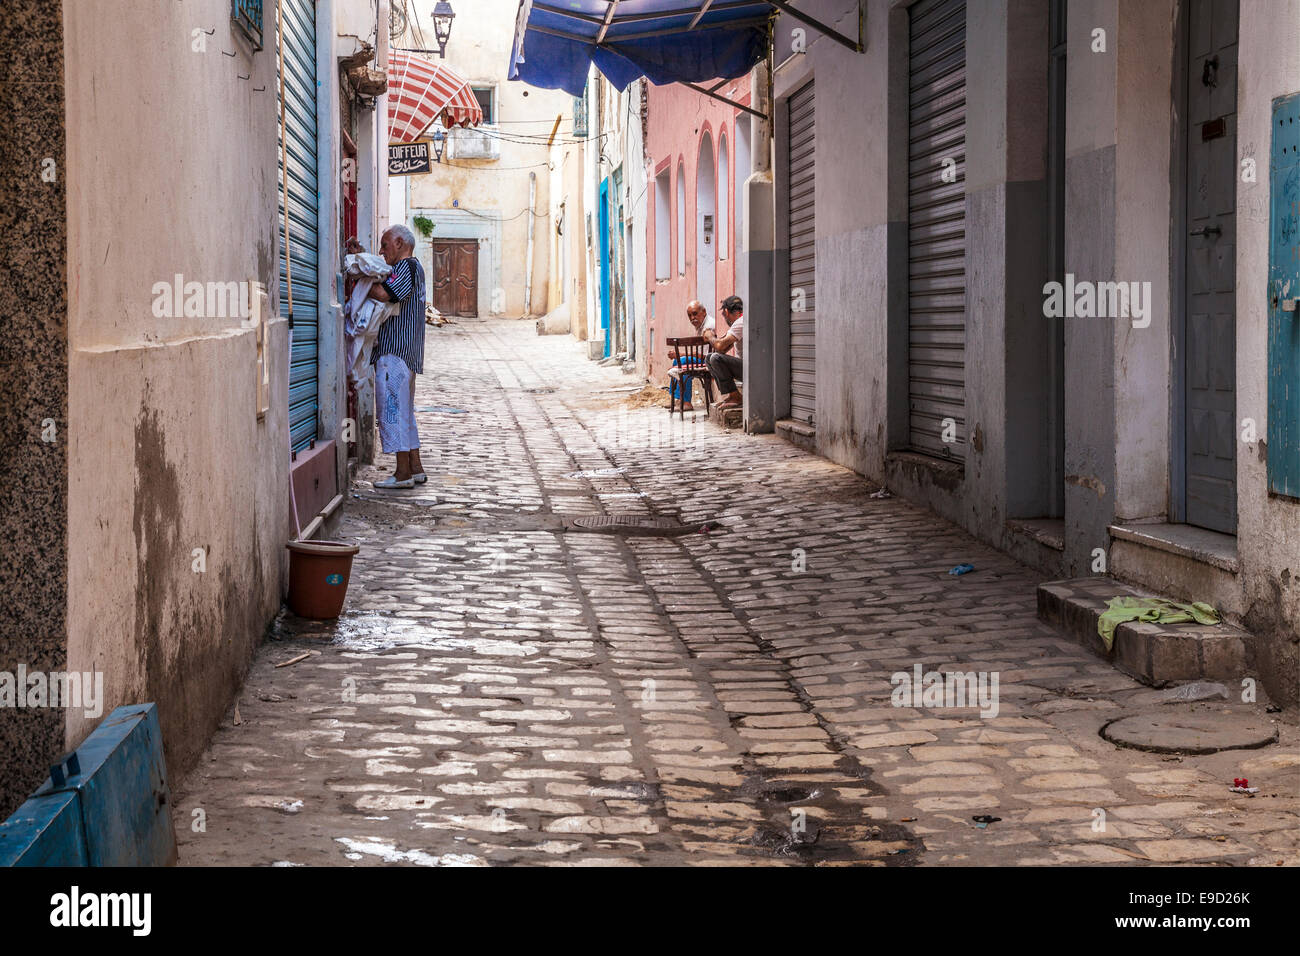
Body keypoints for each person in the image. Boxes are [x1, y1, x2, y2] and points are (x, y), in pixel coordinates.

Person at [367, 224, 428, 490]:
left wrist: (360, 278)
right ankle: (415, 468)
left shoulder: (406, 267)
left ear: (400, 243)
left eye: (385, 244)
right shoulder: (416, 269)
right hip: (408, 352)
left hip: (395, 352)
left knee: (392, 410)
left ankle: (402, 473)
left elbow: (385, 294)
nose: (382, 251)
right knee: (405, 412)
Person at [668, 300, 715, 410]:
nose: (692, 318)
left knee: (682, 362)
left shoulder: (708, 326)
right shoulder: (701, 325)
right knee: (678, 362)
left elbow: (705, 355)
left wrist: (680, 354)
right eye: (689, 315)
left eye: (695, 314)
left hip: (710, 361)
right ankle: (679, 398)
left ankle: (686, 402)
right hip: (703, 358)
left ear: (703, 312)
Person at [707, 295, 745, 409]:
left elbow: (719, 346)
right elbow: (722, 349)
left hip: (750, 369)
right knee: (709, 358)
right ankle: (732, 394)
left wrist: (710, 336)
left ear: (727, 312)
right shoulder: (743, 321)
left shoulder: (740, 322)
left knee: (715, 358)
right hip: (749, 367)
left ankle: (736, 397)